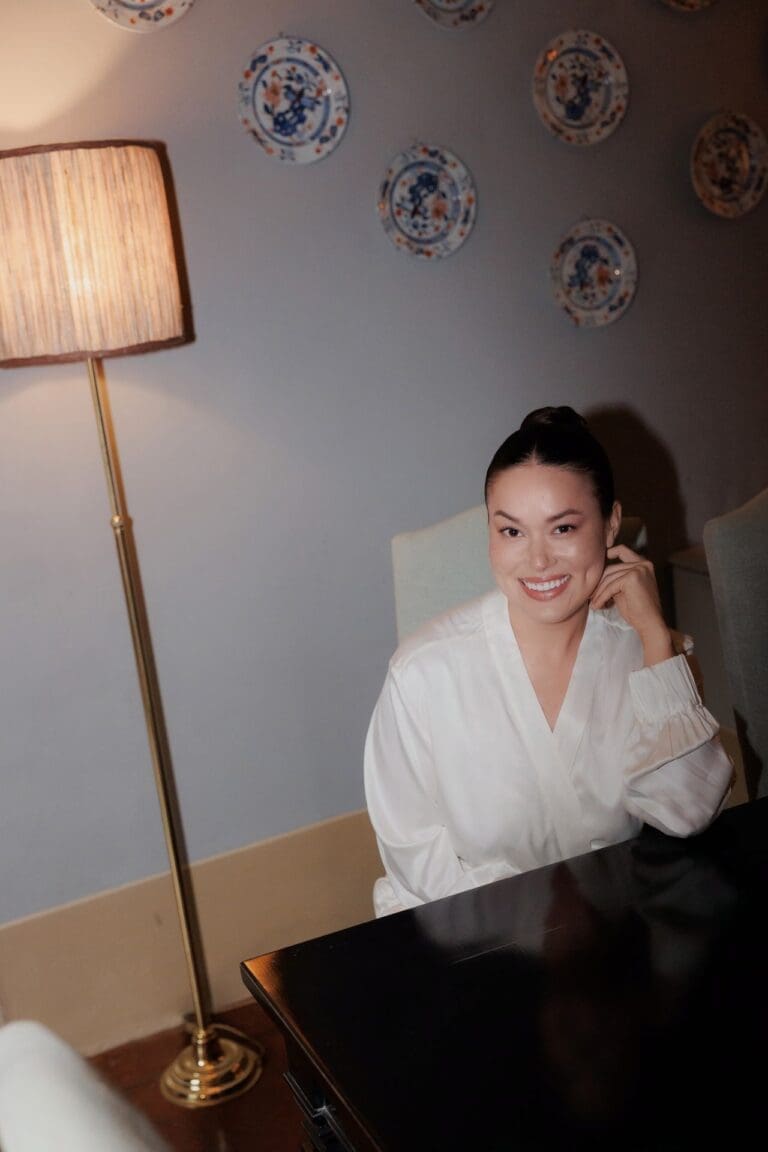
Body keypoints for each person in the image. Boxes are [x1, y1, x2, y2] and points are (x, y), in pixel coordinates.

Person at [364, 405, 733, 917]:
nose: (537, 561)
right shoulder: (422, 675)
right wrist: (543, 925)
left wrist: (653, 635)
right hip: (472, 937)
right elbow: (417, 862)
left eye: (562, 528)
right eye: (512, 532)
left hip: (622, 932)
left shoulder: (650, 655)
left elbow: (687, 813)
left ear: (610, 525)